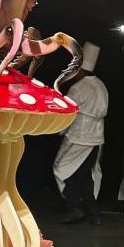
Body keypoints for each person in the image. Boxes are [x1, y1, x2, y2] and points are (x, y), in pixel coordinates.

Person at [53, 42, 108, 225]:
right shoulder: (101, 86)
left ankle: (75, 206)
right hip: (96, 139)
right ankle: (93, 212)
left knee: (62, 170)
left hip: (79, 137)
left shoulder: (78, 88)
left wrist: (59, 130)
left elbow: (68, 113)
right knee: (85, 175)